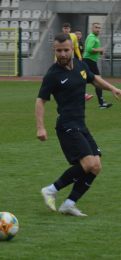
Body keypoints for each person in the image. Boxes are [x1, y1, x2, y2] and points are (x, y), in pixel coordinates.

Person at [36, 33, 121, 216]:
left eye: (66, 50)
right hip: (66, 125)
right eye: (59, 51)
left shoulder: (81, 66)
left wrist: (112, 87)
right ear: (54, 51)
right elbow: (40, 101)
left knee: (96, 166)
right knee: (89, 162)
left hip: (80, 124)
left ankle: (69, 204)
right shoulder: (52, 74)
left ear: (72, 49)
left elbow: (93, 79)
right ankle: (51, 189)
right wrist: (41, 127)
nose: (63, 54)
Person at [83, 23, 113, 109]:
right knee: (98, 82)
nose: (98, 29)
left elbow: (93, 49)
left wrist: (100, 51)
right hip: (89, 61)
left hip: (90, 61)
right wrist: (100, 50)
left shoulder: (94, 37)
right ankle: (101, 103)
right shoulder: (92, 37)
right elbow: (89, 49)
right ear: (92, 28)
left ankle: (100, 102)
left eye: (99, 28)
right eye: (96, 27)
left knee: (91, 81)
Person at [75, 29, 94, 101]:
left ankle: (84, 94)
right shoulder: (72, 43)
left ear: (81, 35)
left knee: (82, 78)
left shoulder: (81, 44)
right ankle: (84, 95)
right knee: (78, 79)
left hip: (79, 64)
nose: (78, 35)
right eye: (77, 34)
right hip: (74, 64)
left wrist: (81, 60)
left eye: (79, 34)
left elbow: (82, 53)